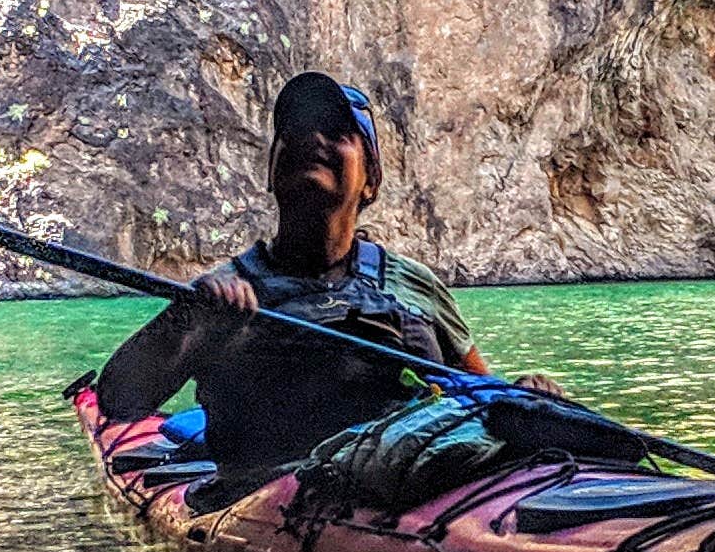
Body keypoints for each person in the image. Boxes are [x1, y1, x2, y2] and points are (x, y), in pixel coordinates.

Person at [94, 73, 514, 489]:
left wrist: (529, 398)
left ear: (370, 181)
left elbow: (483, 394)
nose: (312, 139)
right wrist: (189, 321)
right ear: (271, 171)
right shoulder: (219, 295)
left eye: (336, 133)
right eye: (294, 131)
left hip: (410, 488)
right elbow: (117, 401)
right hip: (266, 502)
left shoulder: (414, 286)